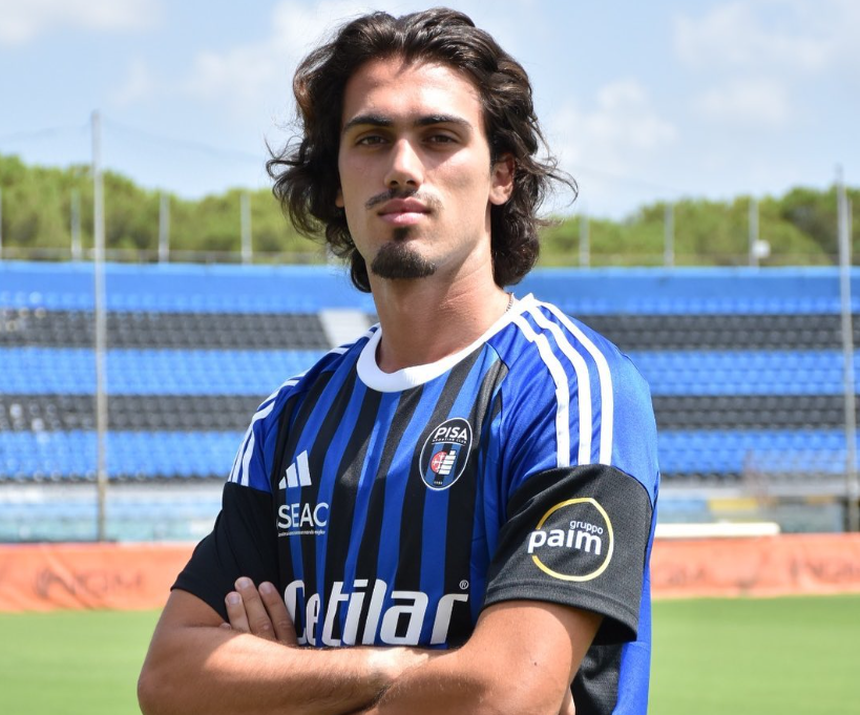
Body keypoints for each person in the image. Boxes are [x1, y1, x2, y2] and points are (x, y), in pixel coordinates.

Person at [138, 8, 659, 715]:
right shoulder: (290, 418)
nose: (403, 168)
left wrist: (284, 683)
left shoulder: (569, 391)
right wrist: (399, 668)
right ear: (335, 181)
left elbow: (506, 696)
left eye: (439, 137)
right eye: (371, 139)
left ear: (502, 173)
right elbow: (170, 679)